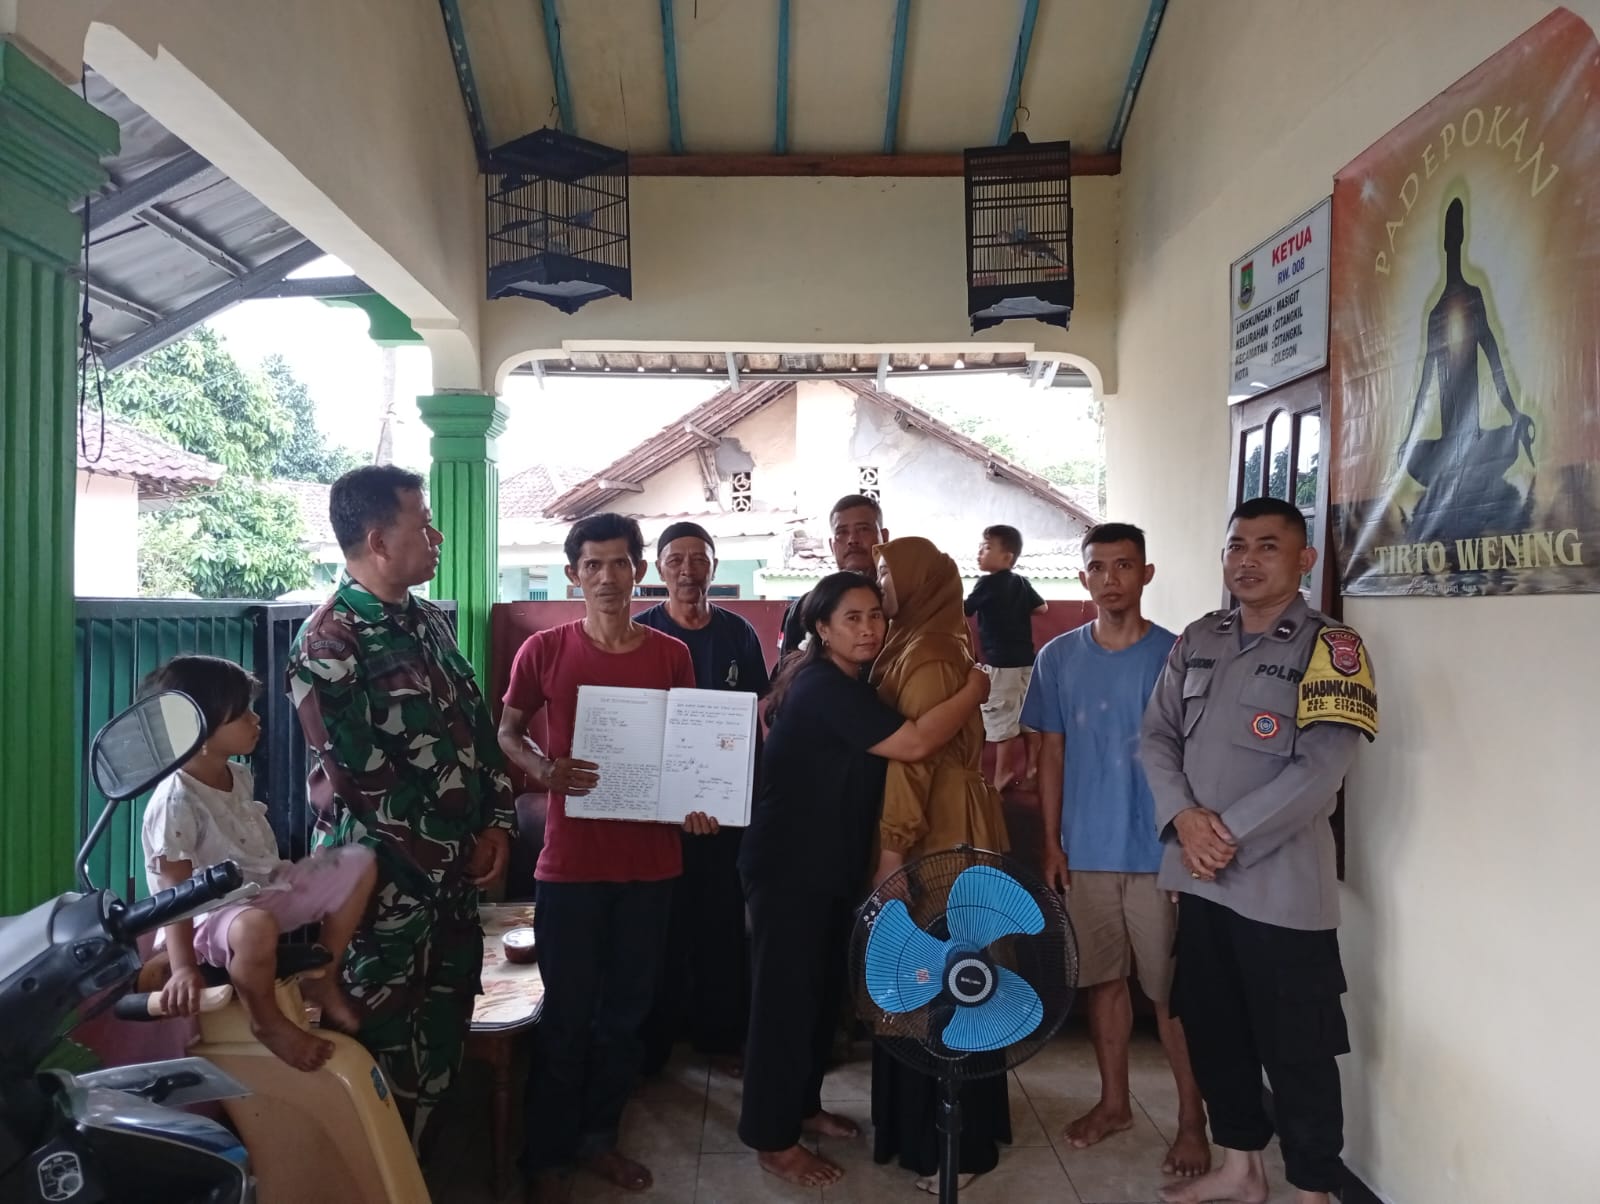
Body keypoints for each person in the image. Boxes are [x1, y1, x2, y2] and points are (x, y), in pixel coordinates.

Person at [1141, 497, 1379, 1204]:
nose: (1247, 560)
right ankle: (1242, 1169)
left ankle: (1313, 1190)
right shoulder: (1199, 638)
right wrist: (1184, 819)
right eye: (1237, 545)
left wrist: (1222, 836)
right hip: (1201, 881)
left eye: (1267, 546)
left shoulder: (1331, 648)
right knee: (1215, 1031)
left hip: (1282, 891)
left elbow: (1322, 767)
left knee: (1300, 1047)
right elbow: (1156, 736)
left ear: (1304, 560)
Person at [739, 572, 991, 1189]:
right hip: (790, 867)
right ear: (821, 629)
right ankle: (772, 1139)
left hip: (826, 866)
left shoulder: (853, 682)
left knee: (819, 996)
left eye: (876, 615)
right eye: (852, 618)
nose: (869, 628)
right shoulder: (824, 687)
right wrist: (975, 688)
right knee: (785, 1003)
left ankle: (802, 1107)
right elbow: (916, 743)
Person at [286, 465, 514, 1146]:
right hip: (384, 892)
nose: (437, 537)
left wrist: (497, 822)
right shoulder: (330, 642)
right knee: (377, 1044)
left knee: (442, 1038)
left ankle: (420, 1169)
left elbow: (477, 727)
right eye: (424, 524)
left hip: (451, 883)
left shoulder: (427, 622)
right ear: (379, 540)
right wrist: (452, 851)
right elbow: (361, 780)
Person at [497, 513, 719, 1203]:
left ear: (638, 571)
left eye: (619, 563)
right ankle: (546, 1155)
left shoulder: (670, 656)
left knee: (625, 1019)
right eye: (592, 565)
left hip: (651, 867)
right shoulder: (543, 650)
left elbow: (689, 749)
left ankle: (599, 1140)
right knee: (565, 1018)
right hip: (571, 867)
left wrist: (697, 800)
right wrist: (544, 770)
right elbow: (507, 731)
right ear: (573, 575)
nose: (607, 577)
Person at [1018, 524, 1210, 1179]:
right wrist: (1051, 841)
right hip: (1088, 849)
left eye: (1124, 565)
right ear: (1082, 578)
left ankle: (1191, 1121)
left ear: (1146, 574)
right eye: (1097, 567)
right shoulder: (1058, 659)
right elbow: (1050, 753)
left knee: (1171, 995)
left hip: (1160, 853)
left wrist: (1187, 848)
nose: (1110, 579)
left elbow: (1195, 757)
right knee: (1103, 982)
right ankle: (1114, 1103)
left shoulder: (1176, 655)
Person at [139, 655, 377, 1072]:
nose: (256, 719)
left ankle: (323, 974)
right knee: (255, 927)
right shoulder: (175, 799)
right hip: (209, 914)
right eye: (242, 714)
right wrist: (183, 968)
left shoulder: (237, 774)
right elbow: (173, 893)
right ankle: (267, 1021)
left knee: (358, 863)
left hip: (264, 889)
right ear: (197, 730)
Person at [870, 536, 1013, 1194]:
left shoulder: (927, 654)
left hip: (936, 835)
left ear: (918, 581)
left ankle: (958, 1144)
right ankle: (942, 1128)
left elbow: (913, 761)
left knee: (939, 977)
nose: (879, 584)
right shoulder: (926, 641)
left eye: (886, 573)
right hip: (950, 824)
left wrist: (892, 851)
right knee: (951, 973)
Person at [635, 521, 771, 1079]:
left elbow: (757, 712)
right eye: (676, 559)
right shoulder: (642, 633)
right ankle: (653, 1047)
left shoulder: (738, 634)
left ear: (714, 567)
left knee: (720, 924)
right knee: (659, 926)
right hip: (658, 811)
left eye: (699, 559)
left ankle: (720, 1038)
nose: (688, 570)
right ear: (658, 568)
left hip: (725, 808)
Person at [964, 524, 1047, 791]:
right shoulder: (1021, 582)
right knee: (1029, 716)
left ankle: (1003, 771)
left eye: (986, 547)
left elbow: (966, 609)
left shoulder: (986, 583)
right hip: (1028, 662)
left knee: (1002, 719)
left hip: (1000, 664)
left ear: (1007, 557)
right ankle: (1033, 765)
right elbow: (1042, 608)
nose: (979, 552)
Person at [777, 494, 888, 658]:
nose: (852, 540)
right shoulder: (805, 609)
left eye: (863, 529)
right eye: (842, 532)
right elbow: (786, 670)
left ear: (884, 537)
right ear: (831, 545)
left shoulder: (897, 604)